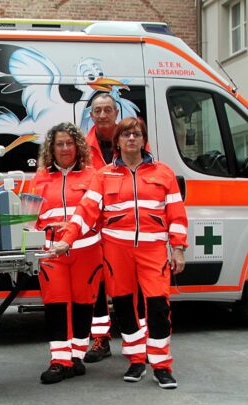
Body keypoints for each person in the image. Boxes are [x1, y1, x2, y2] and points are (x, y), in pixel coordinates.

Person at [51, 117, 188, 389]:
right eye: (125, 135)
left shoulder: (164, 173)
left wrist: (179, 249)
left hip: (154, 251)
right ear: (117, 142)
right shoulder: (104, 176)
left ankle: (161, 364)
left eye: (136, 134)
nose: (131, 139)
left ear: (143, 139)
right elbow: (85, 212)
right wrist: (67, 240)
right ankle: (137, 360)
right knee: (125, 307)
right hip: (116, 252)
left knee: (159, 307)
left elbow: (177, 214)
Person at [31, 122, 102, 384]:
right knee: (57, 305)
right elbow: (31, 216)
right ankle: (59, 361)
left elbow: (98, 213)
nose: (64, 148)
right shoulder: (40, 178)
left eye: (69, 143)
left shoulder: (93, 176)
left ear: (78, 146)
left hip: (86, 251)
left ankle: (76, 356)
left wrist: (74, 228)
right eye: (59, 143)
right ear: (51, 147)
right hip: (52, 254)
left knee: (84, 305)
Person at [83, 93, 146, 363]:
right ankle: (100, 340)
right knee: (97, 285)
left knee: (136, 285)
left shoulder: (130, 140)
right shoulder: (83, 147)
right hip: (95, 227)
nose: (103, 114)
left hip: (126, 228)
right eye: (98, 110)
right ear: (92, 115)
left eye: (108, 109)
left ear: (115, 112)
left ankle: (141, 339)